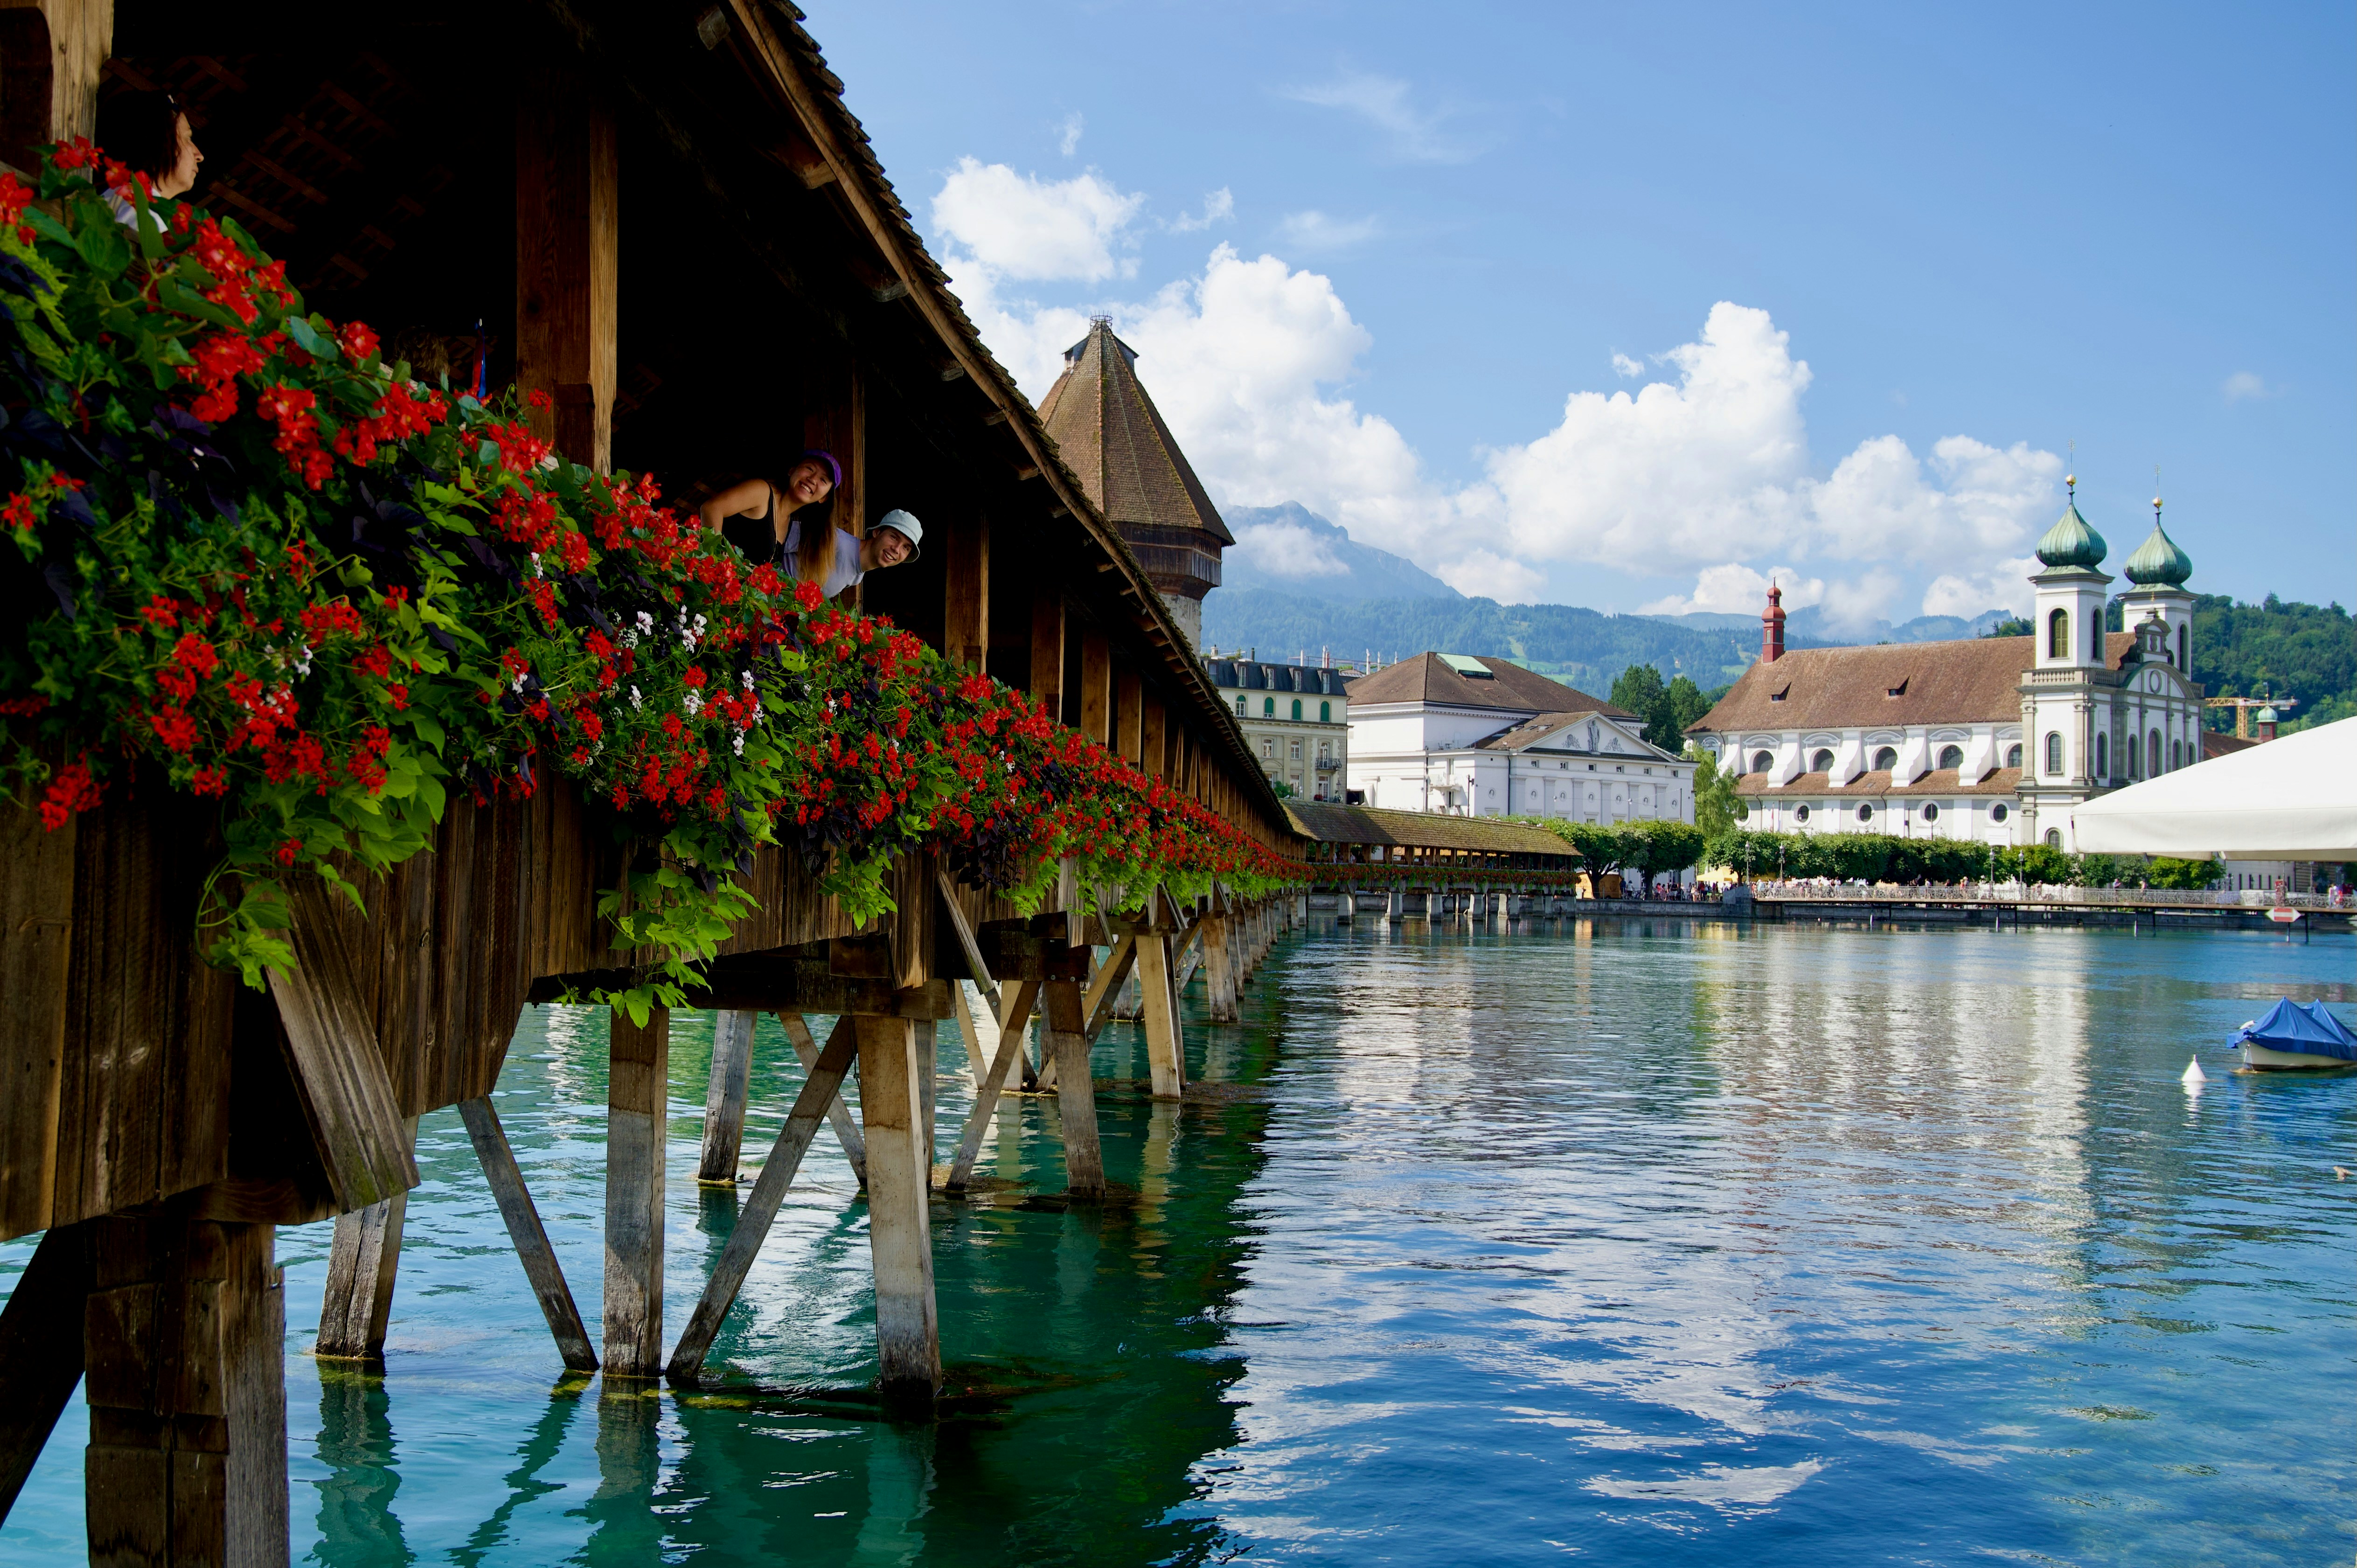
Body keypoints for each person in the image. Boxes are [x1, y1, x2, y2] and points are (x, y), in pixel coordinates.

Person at [697, 453, 921, 601]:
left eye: (824, 480)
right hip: (713, 587)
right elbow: (711, 509)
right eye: (809, 469)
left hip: (740, 598)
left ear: (825, 497)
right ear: (792, 470)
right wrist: (716, 564)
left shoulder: (787, 523)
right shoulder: (763, 492)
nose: (813, 479)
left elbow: (767, 563)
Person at [94, 90, 203, 228]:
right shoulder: (140, 212)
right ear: (160, 142)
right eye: (188, 138)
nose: (200, 156)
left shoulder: (115, 200)